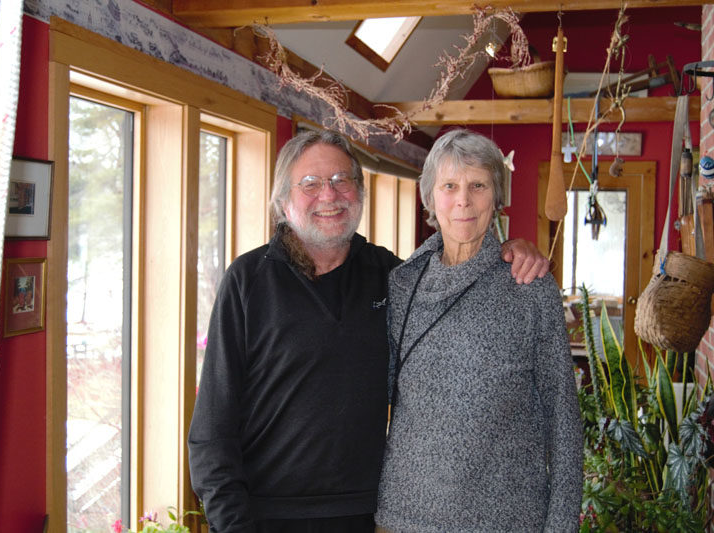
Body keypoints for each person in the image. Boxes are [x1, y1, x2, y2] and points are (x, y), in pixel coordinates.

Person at [188, 129, 550, 533]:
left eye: (343, 180)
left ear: (360, 192)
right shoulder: (248, 281)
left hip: (368, 517)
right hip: (264, 515)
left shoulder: (393, 278)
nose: (330, 195)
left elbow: (459, 295)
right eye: (310, 183)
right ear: (282, 199)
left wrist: (511, 252)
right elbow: (211, 432)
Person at [374, 129, 583, 533]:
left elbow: (563, 421)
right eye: (449, 185)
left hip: (507, 519)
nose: (463, 200)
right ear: (430, 198)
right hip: (404, 517)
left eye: (478, 185)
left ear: (496, 196)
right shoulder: (401, 286)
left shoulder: (530, 287)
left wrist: (560, 525)